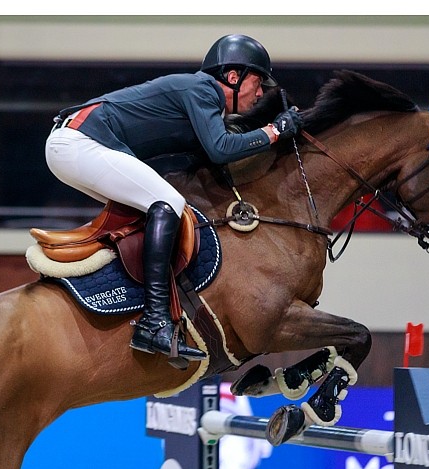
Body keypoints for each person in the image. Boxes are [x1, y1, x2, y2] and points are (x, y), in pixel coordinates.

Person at [45, 34, 304, 362]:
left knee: (153, 209)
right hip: (79, 142)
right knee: (167, 204)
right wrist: (275, 130)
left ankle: (135, 303)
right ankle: (154, 322)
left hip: (74, 145)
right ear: (233, 77)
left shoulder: (203, 104)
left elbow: (220, 155)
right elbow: (221, 149)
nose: (261, 92)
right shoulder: (201, 89)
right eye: (258, 82)